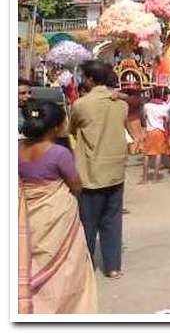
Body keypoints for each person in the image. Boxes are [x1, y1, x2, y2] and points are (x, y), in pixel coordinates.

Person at [18, 100, 98, 313]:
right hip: (57, 215)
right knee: (66, 265)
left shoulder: (18, 150)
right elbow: (76, 185)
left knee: (32, 261)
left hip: (27, 214)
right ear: (55, 127)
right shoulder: (59, 153)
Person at [68, 60, 128, 279]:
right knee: (112, 221)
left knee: (88, 223)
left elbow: (71, 129)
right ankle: (113, 267)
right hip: (115, 170)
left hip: (91, 172)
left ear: (90, 79)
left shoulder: (81, 105)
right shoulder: (120, 104)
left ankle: (87, 268)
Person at [141, 87, 170, 183]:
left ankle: (144, 179)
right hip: (159, 131)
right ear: (162, 95)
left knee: (146, 155)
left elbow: (144, 117)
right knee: (158, 155)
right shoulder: (164, 106)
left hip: (149, 131)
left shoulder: (147, 106)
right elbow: (168, 119)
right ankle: (155, 178)